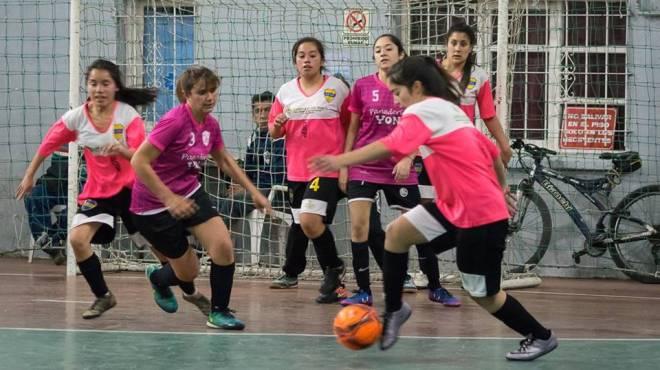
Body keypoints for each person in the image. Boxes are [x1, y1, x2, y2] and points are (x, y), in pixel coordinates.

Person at [310, 56, 558, 361]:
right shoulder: (451, 112)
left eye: (398, 93)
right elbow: (493, 154)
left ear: (416, 87)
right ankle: (395, 309)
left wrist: (340, 160)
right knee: (397, 234)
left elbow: (390, 145)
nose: (398, 101)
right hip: (456, 206)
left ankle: (540, 336)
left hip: (478, 216)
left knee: (484, 294)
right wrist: (501, 188)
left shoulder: (422, 110)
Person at [15, 59, 159, 319]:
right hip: (99, 192)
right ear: (87, 87)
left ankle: (171, 284)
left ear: (115, 87)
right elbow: (47, 145)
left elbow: (141, 156)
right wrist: (29, 175)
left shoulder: (128, 116)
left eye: (105, 83)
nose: (99, 89)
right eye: (93, 83)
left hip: (133, 190)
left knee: (161, 250)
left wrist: (122, 150)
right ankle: (103, 296)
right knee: (77, 240)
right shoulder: (77, 118)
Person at [130, 65, 270, 330]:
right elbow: (139, 161)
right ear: (186, 94)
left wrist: (254, 192)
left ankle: (218, 312)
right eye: (202, 92)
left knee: (223, 247)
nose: (210, 97)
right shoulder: (173, 121)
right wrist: (169, 198)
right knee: (189, 271)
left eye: (213, 91)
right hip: (153, 205)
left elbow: (225, 160)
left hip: (190, 192)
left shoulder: (210, 124)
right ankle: (159, 278)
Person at [339, 34, 459, 307]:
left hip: (399, 168)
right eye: (378, 50)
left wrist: (408, 157)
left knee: (419, 226)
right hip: (364, 167)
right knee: (360, 228)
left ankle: (436, 287)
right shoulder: (362, 86)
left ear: (401, 54)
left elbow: (422, 128)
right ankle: (364, 291)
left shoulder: (412, 91)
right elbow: (354, 127)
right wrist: (346, 164)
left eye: (388, 48)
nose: (382, 53)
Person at [267, 37, 350, 304]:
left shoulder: (337, 89)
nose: (306, 59)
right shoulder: (285, 92)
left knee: (310, 221)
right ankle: (330, 277)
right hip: (296, 172)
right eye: (301, 55)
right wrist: (279, 123)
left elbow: (352, 127)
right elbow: (273, 131)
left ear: (322, 60)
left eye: (312, 55)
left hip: (327, 169)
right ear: (295, 61)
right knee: (302, 224)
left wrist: (346, 164)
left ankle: (333, 269)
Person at [217, 91, 286, 253]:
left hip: (277, 194)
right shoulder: (253, 138)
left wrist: (248, 189)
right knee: (219, 199)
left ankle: (218, 251)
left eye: (267, 110)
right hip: (256, 191)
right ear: (253, 115)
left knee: (232, 203)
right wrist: (239, 184)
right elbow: (248, 171)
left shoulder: (281, 137)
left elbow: (278, 176)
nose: (262, 115)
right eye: (257, 111)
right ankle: (221, 248)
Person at [22, 148, 70, 265]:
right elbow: (45, 147)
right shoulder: (60, 132)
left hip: (83, 186)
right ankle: (50, 246)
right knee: (33, 197)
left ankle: (55, 240)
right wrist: (29, 175)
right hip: (53, 183)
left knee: (72, 212)